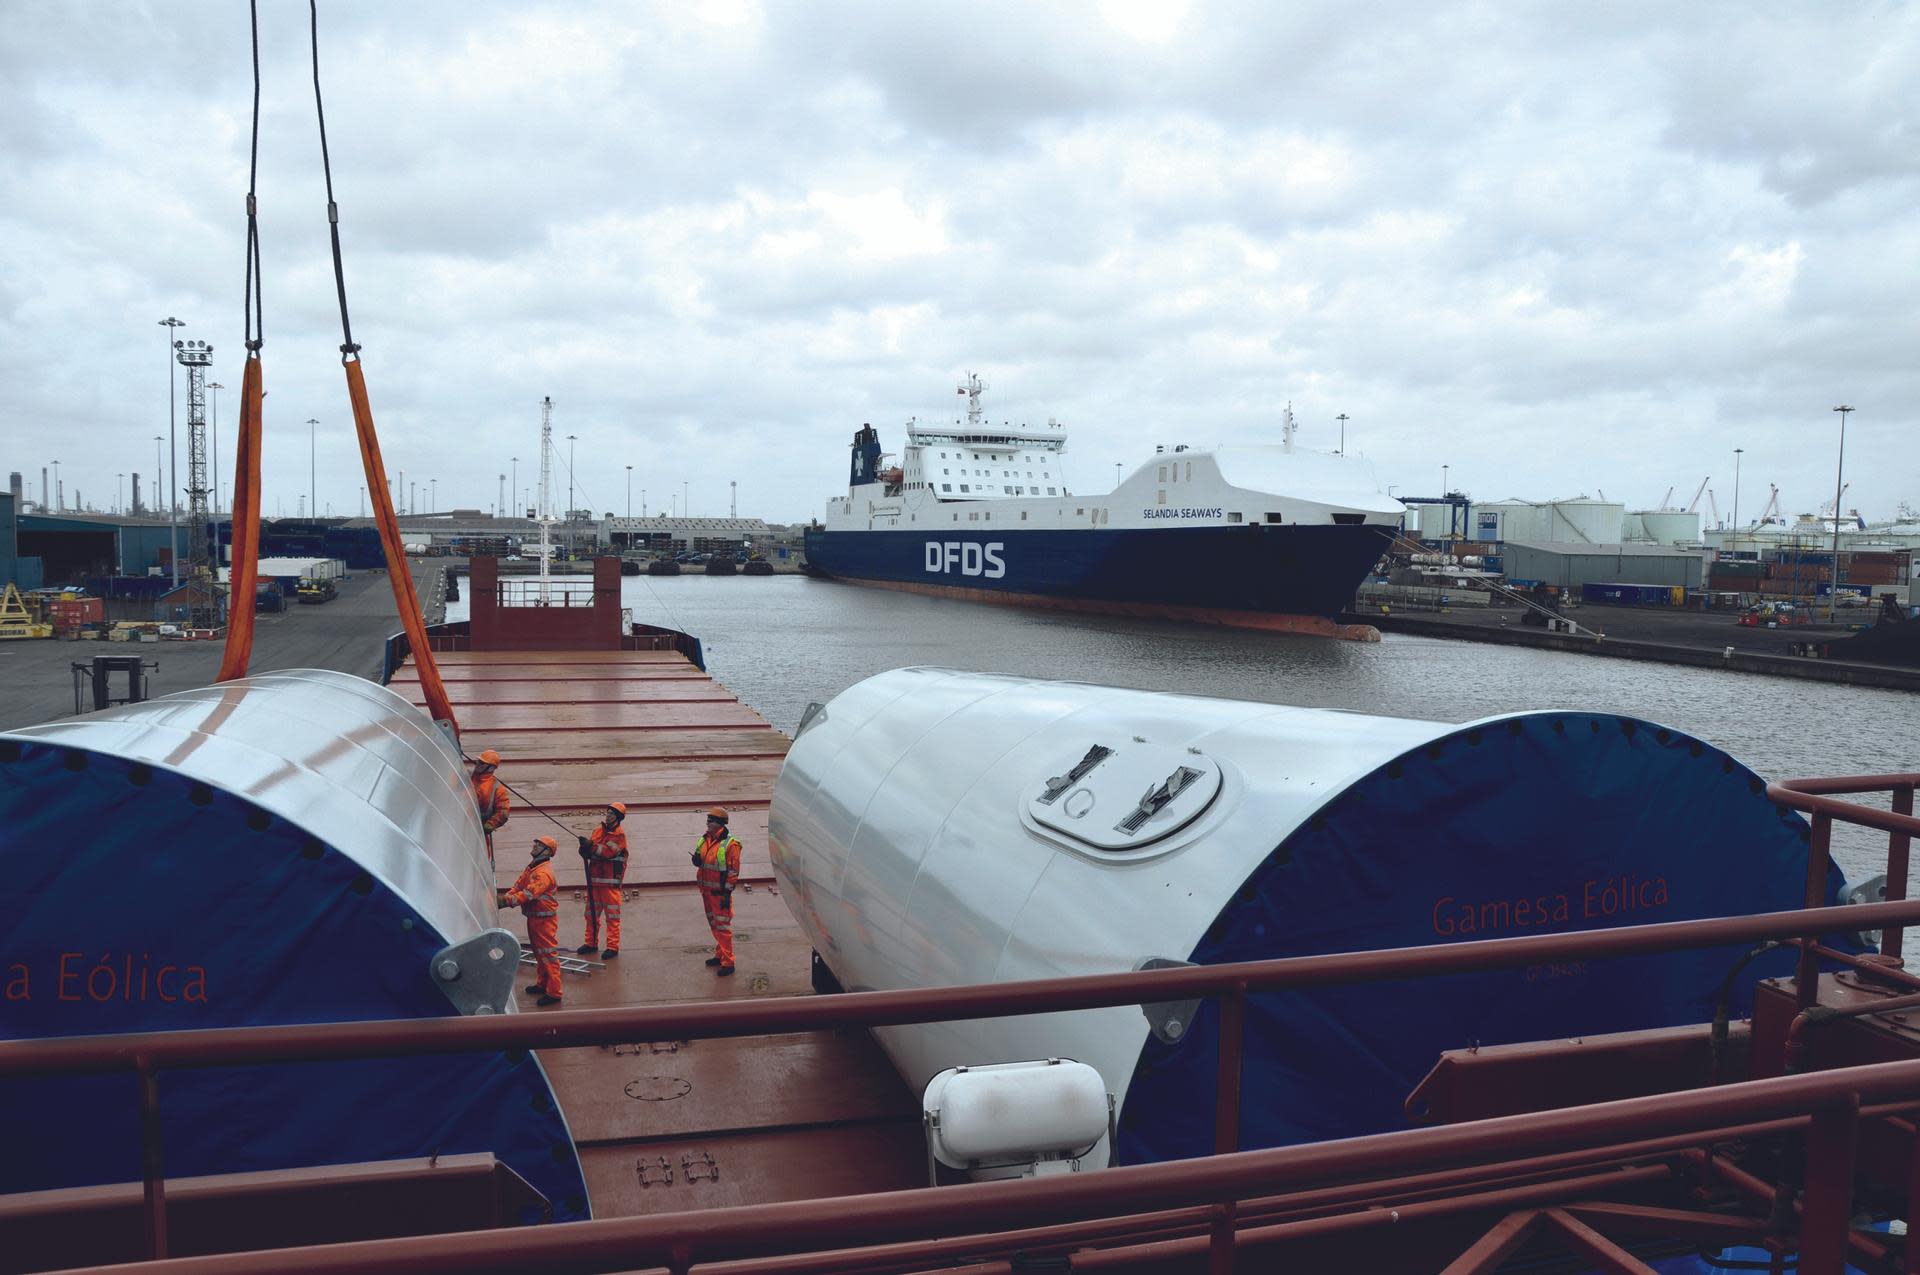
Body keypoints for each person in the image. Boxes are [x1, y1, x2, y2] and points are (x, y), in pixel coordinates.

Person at [498, 835, 562, 1006]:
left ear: (547, 851)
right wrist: (507, 896)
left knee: (548, 955)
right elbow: (519, 886)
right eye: (535, 843)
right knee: (540, 954)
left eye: (538, 845)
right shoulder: (533, 868)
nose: (534, 846)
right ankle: (543, 984)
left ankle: (555, 992)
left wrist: (505, 902)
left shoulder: (543, 873)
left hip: (544, 920)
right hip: (535, 917)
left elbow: (528, 894)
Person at [691, 806, 743, 976]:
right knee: (715, 926)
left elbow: (733, 871)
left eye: (711, 821)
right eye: (707, 820)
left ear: (720, 824)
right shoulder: (704, 839)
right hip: (706, 891)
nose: (708, 823)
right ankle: (720, 955)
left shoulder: (731, 845)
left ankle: (729, 962)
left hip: (720, 894)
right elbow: (702, 859)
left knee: (722, 928)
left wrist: (727, 894)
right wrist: (696, 860)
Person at [576, 802, 629, 959]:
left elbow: (607, 852)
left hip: (610, 883)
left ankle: (612, 947)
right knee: (591, 915)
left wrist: (590, 847)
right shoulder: (598, 830)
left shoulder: (619, 836)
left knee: (612, 917)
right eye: (608, 812)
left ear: (618, 818)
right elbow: (593, 850)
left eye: (612, 813)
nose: (608, 815)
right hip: (595, 881)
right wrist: (584, 849)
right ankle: (591, 943)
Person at [471, 749, 510, 866]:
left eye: (482, 763)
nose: (477, 765)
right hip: (459, 822)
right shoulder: (467, 777)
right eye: (478, 761)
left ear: (491, 768)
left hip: (479, 828)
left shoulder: (497, 789)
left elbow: (503, 812)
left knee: (479, 859)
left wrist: (490, 825)